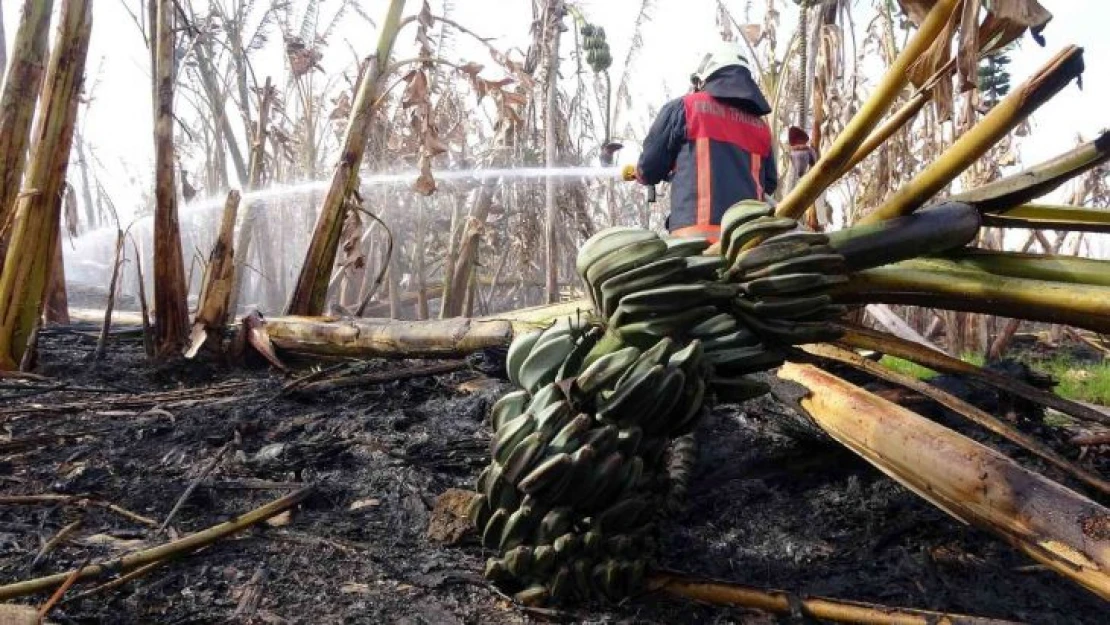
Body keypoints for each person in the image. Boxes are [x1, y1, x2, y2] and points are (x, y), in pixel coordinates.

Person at [624, 40, 777, 244]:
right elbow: (769, 183)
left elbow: (650, 167)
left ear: (703, 78)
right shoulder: (761, 128)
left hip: (694, 244)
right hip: (747, 244)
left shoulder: (685, 108)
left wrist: (640, 173)